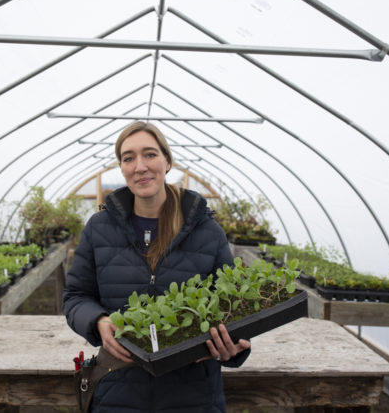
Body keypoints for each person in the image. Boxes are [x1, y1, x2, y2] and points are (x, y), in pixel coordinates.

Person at [63, 120, 251, 412]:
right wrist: (98, 322)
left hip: (194, 396)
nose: (140, 166)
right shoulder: (99, 229)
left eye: (150, 154)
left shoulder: (206, 230)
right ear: (122, 167)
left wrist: (233, 349)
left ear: (167, 161)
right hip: (118, 392)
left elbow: (234, 305)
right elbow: (75, 297)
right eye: (129, 158)